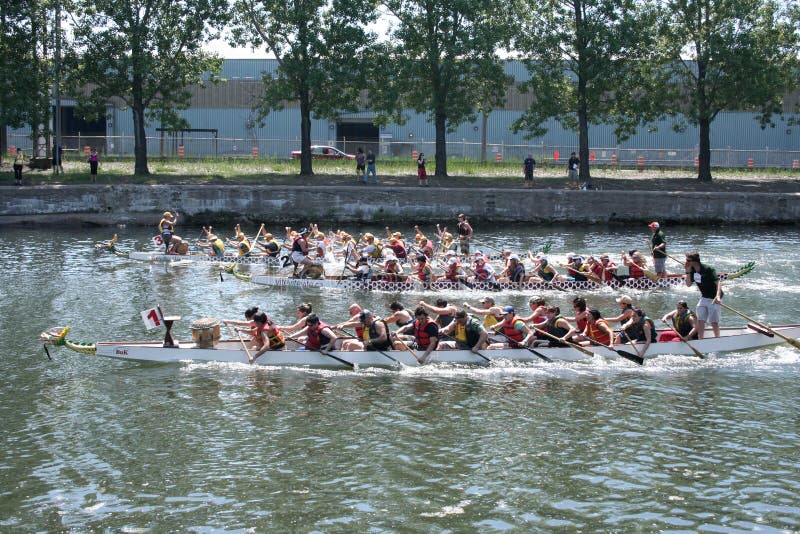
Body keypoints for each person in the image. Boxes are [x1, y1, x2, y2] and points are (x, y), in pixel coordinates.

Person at [685, 251, 723, 338]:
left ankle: (718, 339)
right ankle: (700, 339)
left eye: (688, 260)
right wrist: (687, 272)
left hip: (714, 298)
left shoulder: (708, 269)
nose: (686, 262)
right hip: (704, 297)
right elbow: (688, 284)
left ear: (695, 261)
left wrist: (718, 296)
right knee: (700, 319)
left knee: (714, 321)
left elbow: (718, 283)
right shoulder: (692, 270)